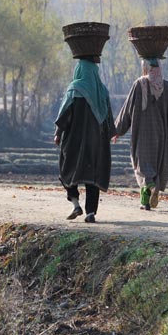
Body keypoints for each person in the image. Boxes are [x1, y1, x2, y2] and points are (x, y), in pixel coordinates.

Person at [115, 58, 168, 210]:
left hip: (142, 135)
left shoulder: (139, 84)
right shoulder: (166, 86)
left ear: (145, 67)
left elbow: (127, 110)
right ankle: (147, 199)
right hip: (162, 137)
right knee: (155, 166)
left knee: (142, 166)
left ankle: (149, 191)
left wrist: (117, 131)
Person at [54, 56, 116, 223]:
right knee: (92, 176)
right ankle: (90, 213)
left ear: (79, 70)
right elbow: (108, 117)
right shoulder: (102, 91)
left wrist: (58, 133)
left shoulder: (74, 89)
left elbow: (64, 114)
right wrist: (112, 133)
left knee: (67, 168)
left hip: (74, 140)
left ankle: (75, 204)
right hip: (96, 143)